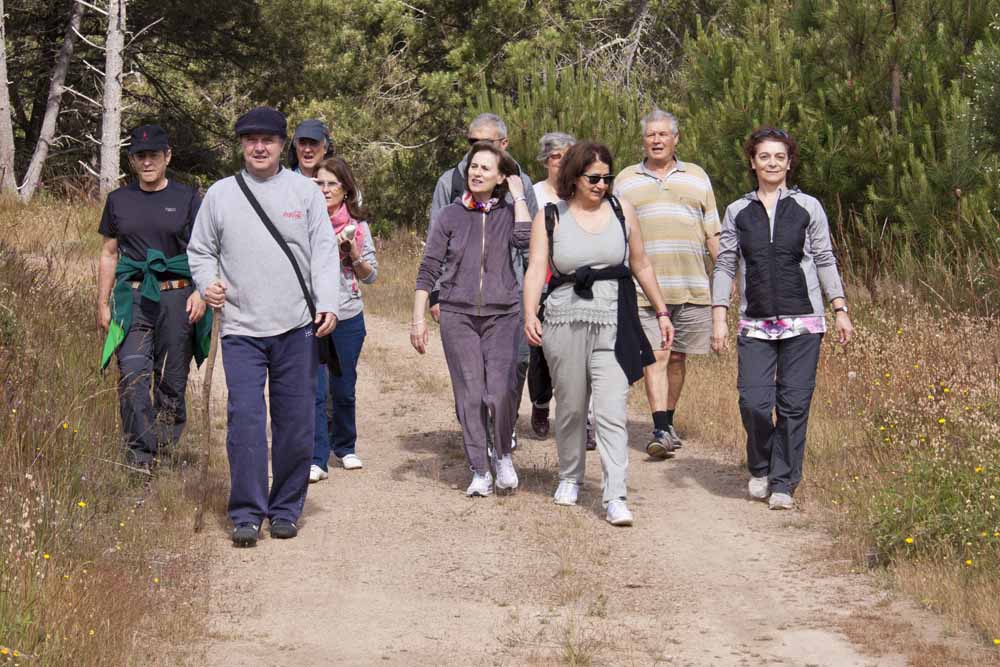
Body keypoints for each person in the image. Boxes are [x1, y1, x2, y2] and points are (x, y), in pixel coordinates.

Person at [188, 107, 340, 546]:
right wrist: (207, 283)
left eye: (268, 140)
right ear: (241, 145)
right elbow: (201, 250)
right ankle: (247, 513)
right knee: (246, 422)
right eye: (251, 140)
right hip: (240, 329)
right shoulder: (220, 194)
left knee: (295, 421)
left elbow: (324, 251)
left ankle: (286, 507)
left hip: (296, 326)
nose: (259, 147)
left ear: (282, 145)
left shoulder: (305, 192)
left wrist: (327, 302)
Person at [523, 142, 674, 527]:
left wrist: (661, 311)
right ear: (574, 178)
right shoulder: (551, 216)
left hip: (614, 319)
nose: (602, 185)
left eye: (606, 178)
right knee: (571, 407)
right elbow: (537, 265)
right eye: (594, 178)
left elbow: (640, 264)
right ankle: (570, 476)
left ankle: (615, 495)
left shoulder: (623, 212)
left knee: (610, 410)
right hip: (563, 320)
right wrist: (529, 313)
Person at [711, 127, 854, 511]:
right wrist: (719, 316)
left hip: (803, 322)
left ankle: (783, 482)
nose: (772, 163)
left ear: (789, 163)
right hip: (754, 323)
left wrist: (839, 308)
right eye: (764, 157)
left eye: (779, 157)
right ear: (753, 163)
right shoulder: (737, 211)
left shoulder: (809, 207)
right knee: (754, 402)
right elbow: (725, 263)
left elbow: (824, 258)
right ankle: (760, 466)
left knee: (793, 404)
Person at [411, 142, 532, 497]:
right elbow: (429, 267)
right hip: (457, 314)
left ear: (500, 177)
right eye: (473, 167)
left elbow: (525, 241)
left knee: (500, 392)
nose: (477, 173)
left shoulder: (510, 213)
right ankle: (479, 470)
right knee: (471, 394)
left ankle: (503, 455)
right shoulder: (450, 214)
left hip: (503, 314)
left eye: (485, 168)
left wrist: (519, 197)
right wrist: (418, 318)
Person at [97, 124, 209, 471]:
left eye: (154, 155)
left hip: (177, 298)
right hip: (132, 300)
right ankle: (138, 457)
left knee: (172, 380)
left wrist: (202, 293)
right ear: (132, 160)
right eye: (140, 156)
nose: (147, 162)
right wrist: (102, 302)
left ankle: (164, 449)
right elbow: (109, 253)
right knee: (132, 376)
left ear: (167, 156)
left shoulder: (188, 198)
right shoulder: (119, 200)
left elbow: (205, 250)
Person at [614, 109, 720, 459]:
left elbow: (712, 231)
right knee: (656, 356)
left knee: (677, 358)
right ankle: (659, 426)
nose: (657, 140)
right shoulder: (626, 180)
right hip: (644, 290)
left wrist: (727, 272)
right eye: (650, 135)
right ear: (643, 140)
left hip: (691, 285)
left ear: (676, 139)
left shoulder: (698, 177)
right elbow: (614, 232)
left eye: (663, 134)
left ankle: (668, 421)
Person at [428, 114, 538, 450]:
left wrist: (534, 297)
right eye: (472, 142)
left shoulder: (523, 184)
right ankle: (478, 434)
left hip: (511, 293)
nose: (476, 150)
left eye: (485, 142)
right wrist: (435, 293)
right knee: (469, 369)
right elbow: (436, 238)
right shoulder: (450, 182)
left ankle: (504, 424)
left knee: (516, 363)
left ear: (504, 144)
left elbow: (532, 242)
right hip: (461, 296)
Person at [309, 157, 377, 482]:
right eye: (318, 183)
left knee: (344, 388)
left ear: (345, 189)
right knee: (316, 391)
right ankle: (316, 457)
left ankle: (345, 446)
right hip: (312, 316)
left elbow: (370, 276)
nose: (324, 190)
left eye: (331, 184)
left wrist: (352, 252)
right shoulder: (304, 222)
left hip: (348, 315)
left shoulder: (358, 227)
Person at [528, 132, 575, 439]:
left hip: (574, 285)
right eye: (556, 156)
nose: (562, 162)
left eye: (567, 155)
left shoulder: (581, 192)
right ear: (546, 161)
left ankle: (579, 417)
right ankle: (541, 404)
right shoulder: (535, 195)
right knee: (542, 353)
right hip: (543, 285)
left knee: (576, 354)